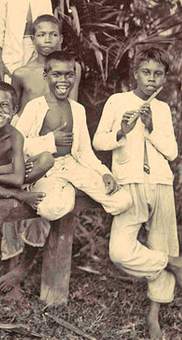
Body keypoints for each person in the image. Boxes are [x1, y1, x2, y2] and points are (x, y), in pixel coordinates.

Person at [93, 46, 182, 340]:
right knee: (120, 251)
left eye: (157, 74)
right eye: (146, 72)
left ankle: (153, 315)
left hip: (160, 183)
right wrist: (121, 132)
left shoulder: (161, 108)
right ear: (135, 73)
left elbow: (172, 152)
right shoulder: (117, 101)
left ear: (164, 80)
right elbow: (99, 142)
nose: (151, 79)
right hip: (129, 183)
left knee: (162, 240)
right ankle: (176, 264)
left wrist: (150, 128)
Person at [15, 49, 132, 246]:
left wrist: (104, 173)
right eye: (56, 74)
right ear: (46, 76)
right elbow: (17, 143)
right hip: (46, 171)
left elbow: (85, 150)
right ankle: (66, 188)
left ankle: (69, 185)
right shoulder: (35, 106)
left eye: (69, 74)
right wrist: (51, 140)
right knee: (50, 210)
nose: (63, 80)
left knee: (123, 201)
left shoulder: (78, 110)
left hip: (73, 166)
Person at [0, 14, 71, 296]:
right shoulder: (22, 73)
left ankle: (24, 267)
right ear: (33, 39)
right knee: (13, 202)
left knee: (42, 202)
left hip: (54, 149)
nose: (48, 40)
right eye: (41, 35)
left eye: (53, 34)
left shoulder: (67, 71)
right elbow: (13, 112)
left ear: (61, 39)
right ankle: (12, 265)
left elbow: (70, 110)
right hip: (25, 144)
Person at [0, 81, 52, 206]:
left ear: (14, 110)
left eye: (5, 105)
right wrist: (5, 169)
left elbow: (17, 180)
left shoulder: (16, 136)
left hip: (6, 180)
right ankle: (17, 194)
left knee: (47, 159)